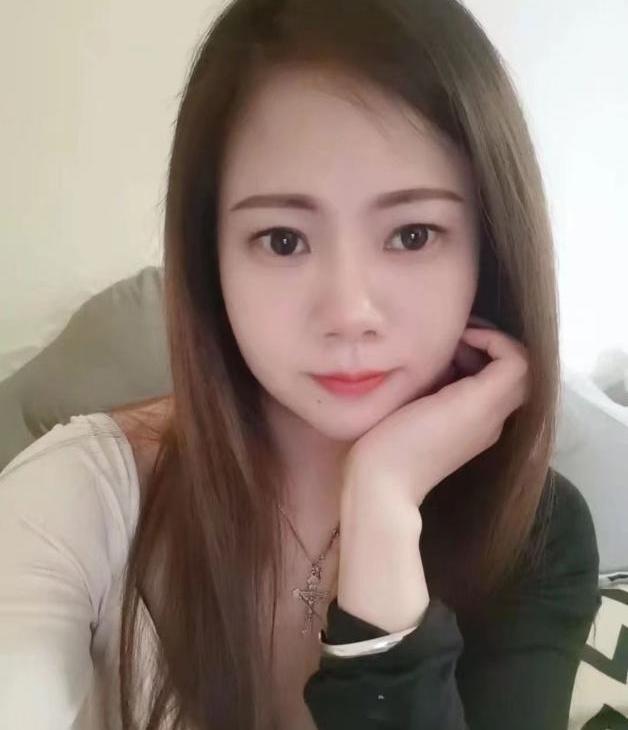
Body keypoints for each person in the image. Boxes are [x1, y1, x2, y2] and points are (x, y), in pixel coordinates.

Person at [0, 0, 601, 728]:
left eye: (413, 234)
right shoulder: (78, 499)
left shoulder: (537, 537)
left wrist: (382, 505)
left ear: (490, 249)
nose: (349, 311)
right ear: (211, 259)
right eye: (283, 240)